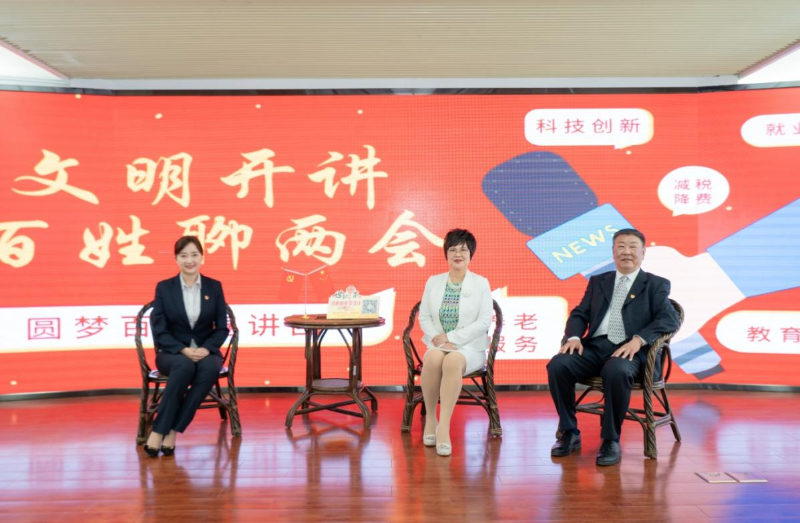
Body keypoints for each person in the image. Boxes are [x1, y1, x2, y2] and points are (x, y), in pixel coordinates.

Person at [547, 228, 680, 466]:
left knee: (616, 369)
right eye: (621, 246)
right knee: (558, 364)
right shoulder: (599, 281)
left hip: (631, 351)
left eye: (632, 247)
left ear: (643, 252)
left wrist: (639, 340)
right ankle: (569, 432)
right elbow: (580, 313)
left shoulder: (656, 284)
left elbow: (670, 319)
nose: (626, 252)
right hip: (595, 348)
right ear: (613, 252)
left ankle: (610, 439)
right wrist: (574, 337)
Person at [143, 236, 230, 457]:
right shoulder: (165, 288)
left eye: (194, 255)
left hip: (206, 351)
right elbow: (160, 329)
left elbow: (221, 328)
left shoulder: (214, 286)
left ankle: (170, 430)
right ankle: (159, 431)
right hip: (172, 353)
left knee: (209, 368)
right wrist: (183, 350)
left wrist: (206, 349)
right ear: (176, 259)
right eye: (183, 256)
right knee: (184, 366)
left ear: (202, 257)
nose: (189, 260)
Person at [418, 229, 493, 456]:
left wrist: (452, 338)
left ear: (471, 254)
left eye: (463, 250)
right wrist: (440, 341)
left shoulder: (481, 283)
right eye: (452, 249)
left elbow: (484, 321)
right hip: (439, 345)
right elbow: (424, 317)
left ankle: (443, 427)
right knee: (432, 358)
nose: (458, 254)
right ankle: (431, 419)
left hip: (469, 347)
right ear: (446, 254)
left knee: (452, 362)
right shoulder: (434, 282)